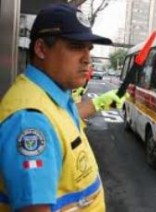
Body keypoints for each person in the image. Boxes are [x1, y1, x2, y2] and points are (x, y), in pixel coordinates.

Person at [0, 3, 124, 212]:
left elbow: (63, 119)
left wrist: (98, 103)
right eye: (76, 47)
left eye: (89, 49)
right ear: (41, 49)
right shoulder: (30, 121)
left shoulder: (49, 95)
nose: (87, 58)